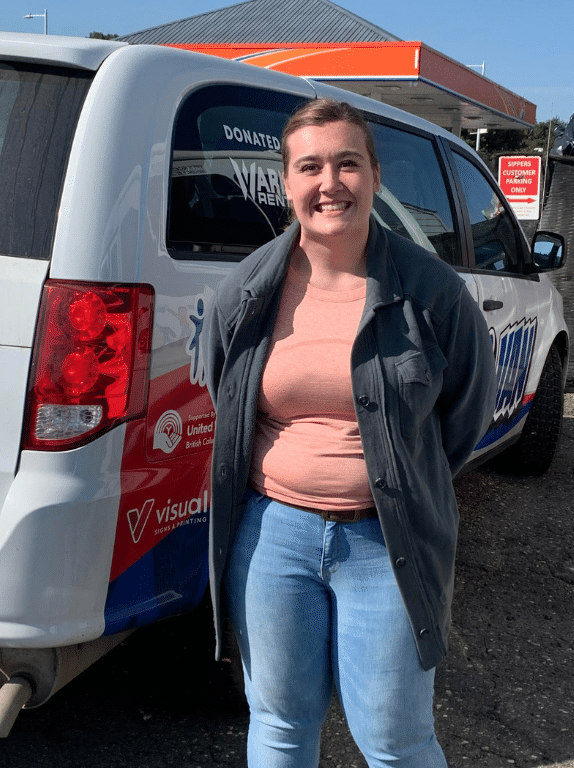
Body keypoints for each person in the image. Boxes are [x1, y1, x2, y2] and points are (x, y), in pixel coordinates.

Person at [202, 98, 497, 768]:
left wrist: (395, 479)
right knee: (279, 722)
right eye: (310, 166)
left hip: (383, 541)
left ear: (375, 175)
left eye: (347, 164)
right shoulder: (247, 288)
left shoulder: (433, 292)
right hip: (272, 536)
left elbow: (464, 415)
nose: (329, 182)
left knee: (396, 741)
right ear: (286, 182)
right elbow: (225, 392)